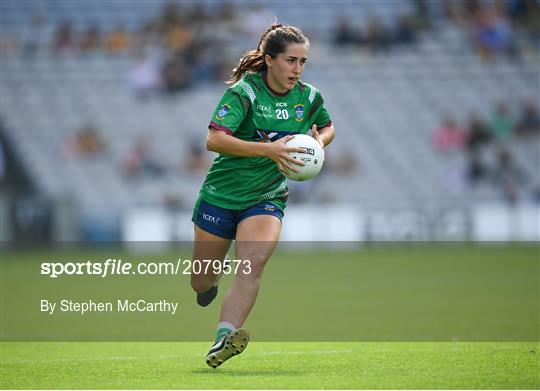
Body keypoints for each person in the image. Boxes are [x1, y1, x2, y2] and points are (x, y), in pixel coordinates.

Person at [190, 23, 335, 368]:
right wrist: (268, 150)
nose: (297, 69)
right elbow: (214, 140)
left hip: (266, 197)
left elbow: (328, 126)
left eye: (303, 62)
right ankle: (205, 288)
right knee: (202, 278)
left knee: (251, 266)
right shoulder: (245, 93)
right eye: (291, 61)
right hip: (221, 195)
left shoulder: (309, 97)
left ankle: (222, 339)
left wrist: (318, 143)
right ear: (269, 60)